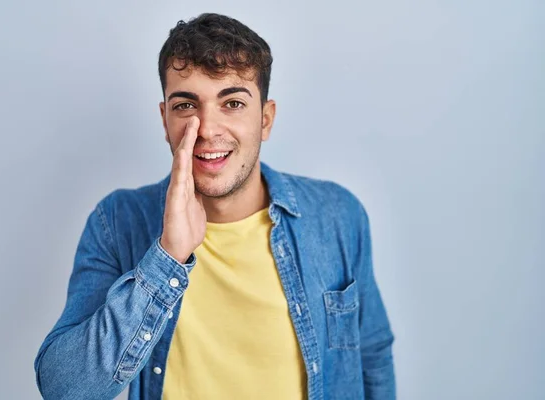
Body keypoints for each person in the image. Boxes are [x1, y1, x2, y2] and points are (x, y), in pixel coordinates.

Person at [34, 12, 395, 400]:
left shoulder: (337, 216)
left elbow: (372, 357)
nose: (206, 129)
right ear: (165, 119)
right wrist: (167, 257)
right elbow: (64, 388)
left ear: (266, 119)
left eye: (233, 103)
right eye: (186, 106)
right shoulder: (117, 222)